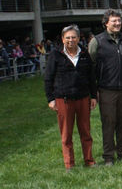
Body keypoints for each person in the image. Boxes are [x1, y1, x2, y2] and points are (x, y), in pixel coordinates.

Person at [44, 24, 97, 171]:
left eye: (74, 37)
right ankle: (69, 164)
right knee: (66, 134)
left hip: (83, 98)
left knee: (86, 132)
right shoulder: (55, 55)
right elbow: (48, 78)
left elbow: (91, 78)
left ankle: (89, 161)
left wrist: (93, 96)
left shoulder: (85, 54)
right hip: (64, 99)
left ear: (79, 38)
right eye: (67, 37)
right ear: (62, 39)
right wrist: (50, 99)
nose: (71, 40)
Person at [88, 9, 122, 165]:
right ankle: (108, 156)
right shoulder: (97, 41)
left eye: (119, 20)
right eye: (114, 21)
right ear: (106, 23)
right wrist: (94, 91)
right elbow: (91, 65)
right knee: (109, 123)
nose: (117, 23)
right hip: (106, 89)